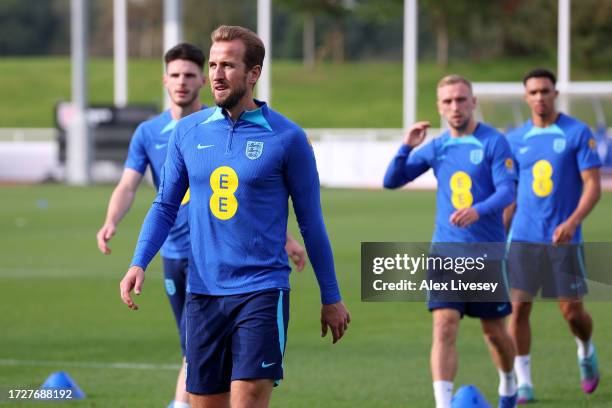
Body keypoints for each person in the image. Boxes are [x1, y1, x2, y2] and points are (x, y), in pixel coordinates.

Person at [118, 25, 350, 408]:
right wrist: (138, 260)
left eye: (227, 65)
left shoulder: (288, 138)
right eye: (212, 64)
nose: (216, 74)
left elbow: (311, 223)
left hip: (262, 288)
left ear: (253, 73)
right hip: (204, 292)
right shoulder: (187, 133)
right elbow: (164, 205)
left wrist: (331, 296)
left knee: (247, 399)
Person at [384, 75, 518, 408]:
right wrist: (406, 147)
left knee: (495, 334)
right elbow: (391, 181)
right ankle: (443, 404)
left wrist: (479, 210)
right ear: (439, 106)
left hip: (486, 255)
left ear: (473, 102)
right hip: (446, 253)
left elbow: (508, 190)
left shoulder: (493, 142)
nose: (455, 107)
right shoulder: (438, 147)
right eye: (447, 101)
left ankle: (509, 382)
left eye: (460, 100)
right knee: (444, 327)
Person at [505, 68, 601, 404]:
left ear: (555, 93)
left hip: (564, 238)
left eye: (545, 91)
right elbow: (510, 191)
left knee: (572, 313)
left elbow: (593, 185)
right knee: (518, 310)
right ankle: (524, 382)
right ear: (525, 97)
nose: (539, 97)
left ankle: (586, 349)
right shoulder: (515, 139)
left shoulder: (577, 133)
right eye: (533, 92)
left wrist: (574, 221)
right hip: (524, 237)